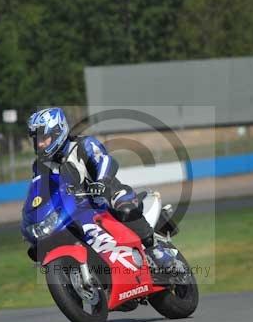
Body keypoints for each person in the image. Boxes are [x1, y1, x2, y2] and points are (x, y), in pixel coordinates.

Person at [23, 107, 175, 271]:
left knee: (124, 205)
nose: (39, 144)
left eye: (44, 137)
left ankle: (154, 250)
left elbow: (105, 161)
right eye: (36, 139)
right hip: (76, 209)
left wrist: (101, 182)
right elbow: (40, 190)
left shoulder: (83, 145)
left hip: (106, 194)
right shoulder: (40, 166)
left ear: (58, 132)